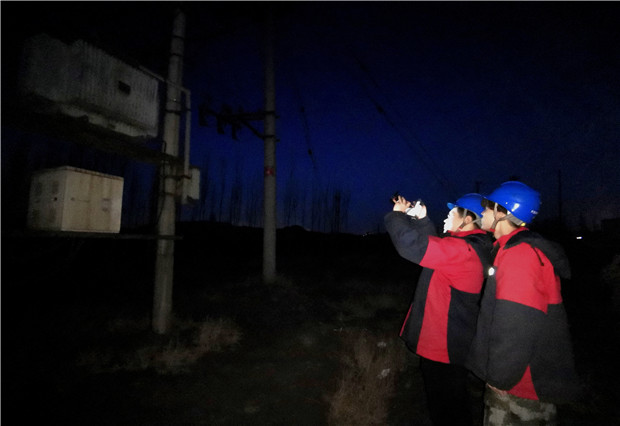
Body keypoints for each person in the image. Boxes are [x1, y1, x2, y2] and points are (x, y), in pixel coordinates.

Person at [466, 181, 581, 425]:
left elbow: (515, 325)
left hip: (520, 386)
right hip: (521, 378)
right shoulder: (513, 250)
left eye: (487, 206)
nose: (482, 211)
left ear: (502, 212)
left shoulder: (519, 256)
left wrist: (500, 377)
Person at [385, 193, 494, 426]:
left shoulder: (462, 251)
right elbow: (435, 249)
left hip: (444, 346)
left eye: (452, 213)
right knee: (452, 403)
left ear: (467, 219)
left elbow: (412, 246)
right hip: (451, 342)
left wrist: (397, 216)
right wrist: (422, 220)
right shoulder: (467, 247)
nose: (446, 218)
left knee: (447, 408)